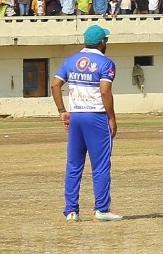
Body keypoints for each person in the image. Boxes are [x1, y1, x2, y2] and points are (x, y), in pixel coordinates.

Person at [52, 24, 121, 222]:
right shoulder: (106, 63)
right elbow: (105, 91)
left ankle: (71, 211)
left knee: (74, 165)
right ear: (102, 41)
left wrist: (62, 111)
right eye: (106, 39)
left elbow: (55, 84)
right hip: (96, 116)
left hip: (76, 116)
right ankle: (101, 210)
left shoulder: (70, 61)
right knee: (100, 165)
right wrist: (112, 118)